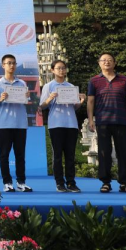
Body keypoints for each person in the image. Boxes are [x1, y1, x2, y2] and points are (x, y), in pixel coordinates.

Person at [87, 53, 126, 194]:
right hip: (102, 121)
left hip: (121, 121)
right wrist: (91, 119)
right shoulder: (94, 81)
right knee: (104, 152)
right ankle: (105, 182)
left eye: (110, 60)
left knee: (123, 152)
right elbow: (90, 101)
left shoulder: (124, 80)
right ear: (99, 63)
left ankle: (124, 183)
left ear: (115, 63)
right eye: (103, 60)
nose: (107, 62)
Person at [0, 54, 33, 192]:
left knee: (20, 155)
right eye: (9, 63)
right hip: (4, 124)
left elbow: (26, 102)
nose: (12, 65)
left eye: (14, 63)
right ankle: (7, 182)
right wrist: (1, 99)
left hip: (20, 124)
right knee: (4, 155)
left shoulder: (22, 83)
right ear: (3, 65)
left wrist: (27, 96)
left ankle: (21, 182)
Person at [39, 60, 82, 193]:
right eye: (58, 68)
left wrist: (80, 101)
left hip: (71, 124)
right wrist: (50, 98)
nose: (61, 70)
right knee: (57, 155)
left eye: (63, 68)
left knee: (70, 155)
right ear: (52, 70)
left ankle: (71, 182)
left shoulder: (71, 86)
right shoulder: (49, 86)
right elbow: (42, 106)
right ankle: (59, 182)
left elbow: (75, 107)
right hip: (55, 124)